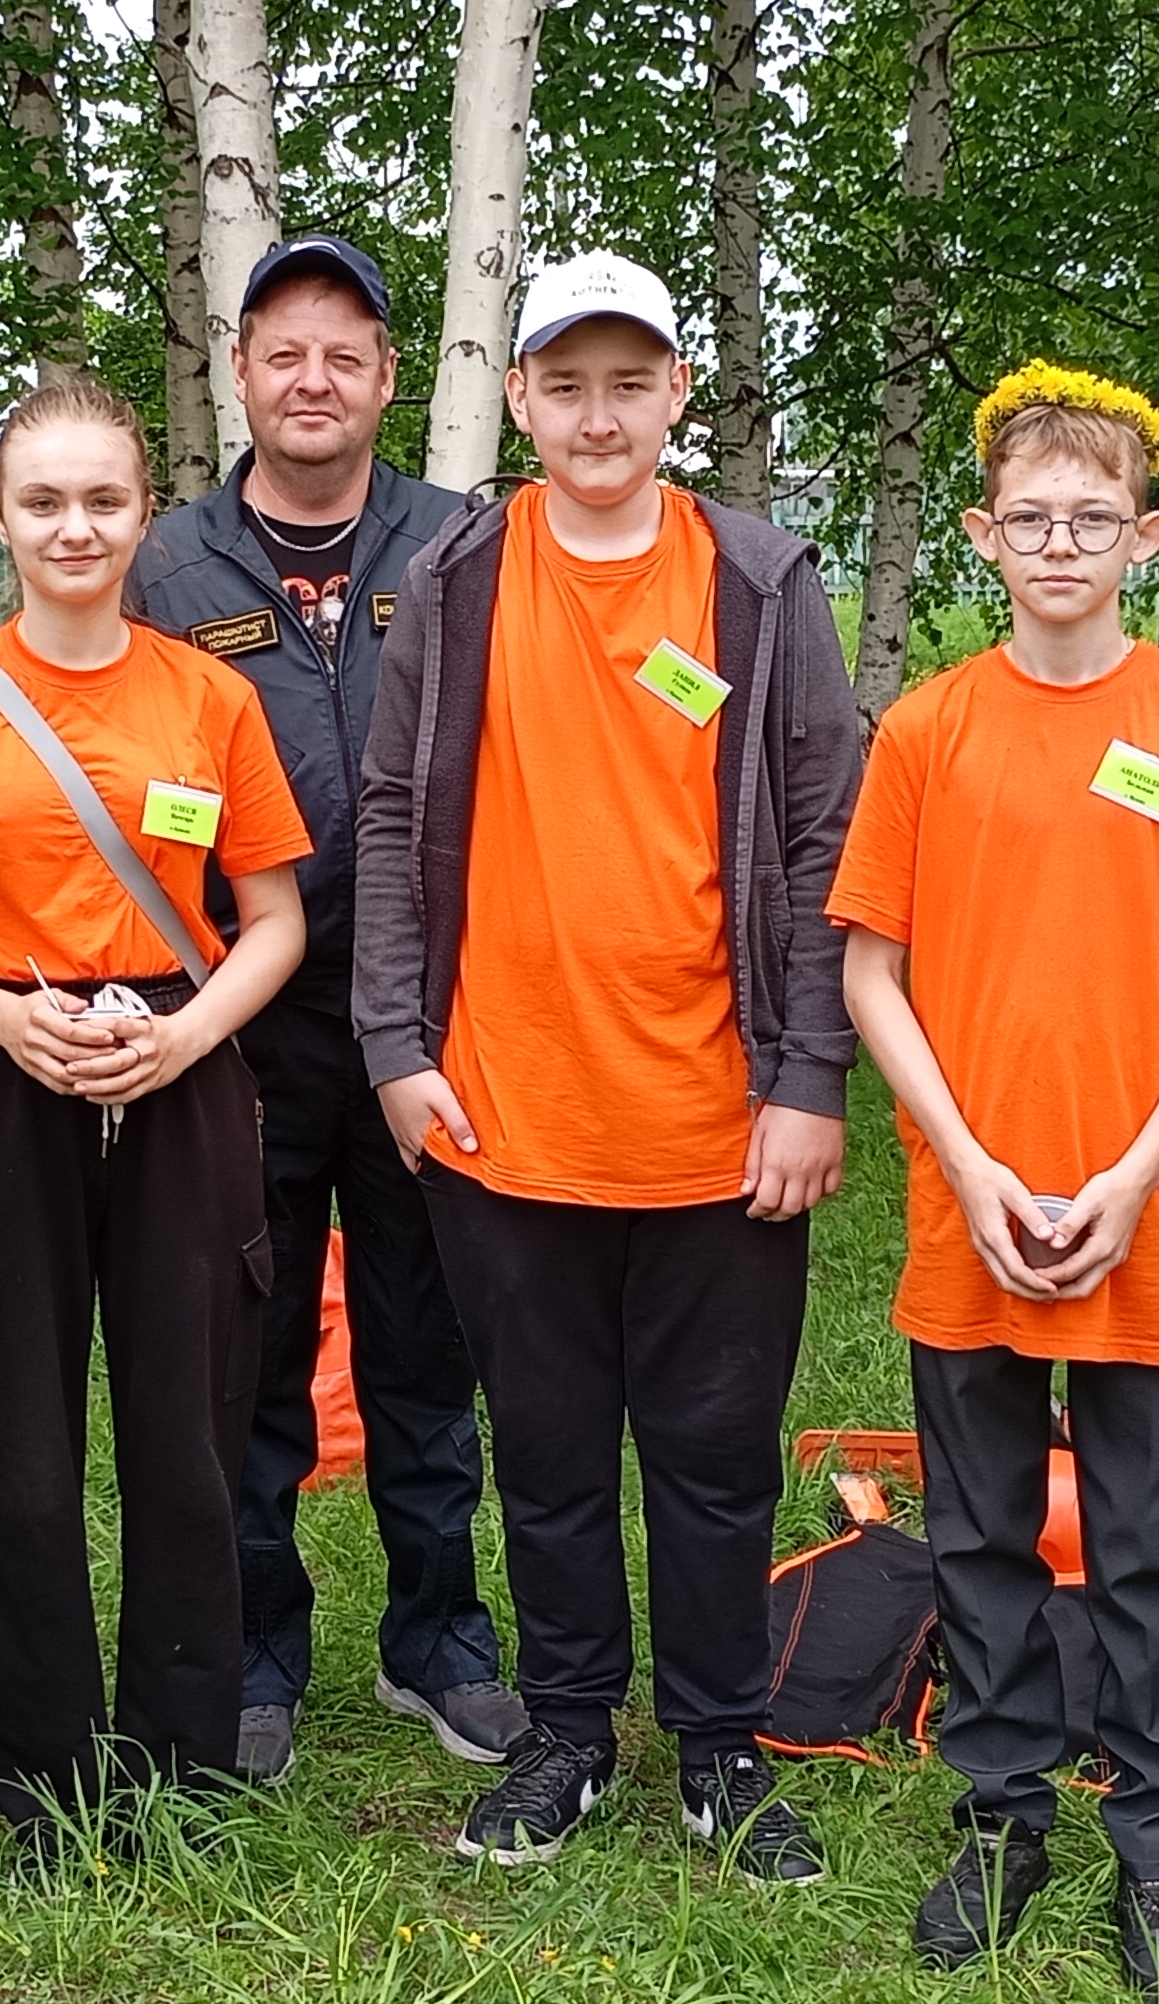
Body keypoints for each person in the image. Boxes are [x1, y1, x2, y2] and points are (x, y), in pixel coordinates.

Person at [354, 251, 867, 1879]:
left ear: (677, 398)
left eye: (629, 381)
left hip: (721, 1121)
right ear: (518, 400)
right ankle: (569, 1733)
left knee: (713, 1460)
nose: (597, 413)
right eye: (564, 383)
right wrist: (390, 1043)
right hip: (505, 1108)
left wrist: (809, 1077)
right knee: (551, 1451)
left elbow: (822, 834)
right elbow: (386, 813)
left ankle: (719, 1748)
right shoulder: (448, 577)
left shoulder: (761, 583)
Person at [833, 363, 1159, 1994]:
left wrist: (1129, 1170)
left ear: (1144, 535)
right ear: (981, 536)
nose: (1059, 542)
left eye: (1091, 519)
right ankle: (1000, 1818)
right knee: (980, 1541)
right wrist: (972, 1170)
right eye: (1030, 518)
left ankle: (1158, 1851)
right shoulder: (927, 728)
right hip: (971, 1205)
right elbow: (870, 976)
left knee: (1144, 1556)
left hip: (1150, 1214)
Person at [0, 377, 313, 1854]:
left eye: (105, 501)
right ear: (0, 514)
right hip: (8, 1081)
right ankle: (42, 1769)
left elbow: (271, 922)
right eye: (44, 500)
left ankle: (183, 1756)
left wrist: (183, 1037)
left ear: (144, 516)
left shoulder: (210, 697)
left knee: (189, 1426)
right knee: (15, 1433)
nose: (75, 527)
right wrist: (0, 1019)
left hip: (176, 1074)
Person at [124, 235, 524, 1786]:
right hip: (246, 1026)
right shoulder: (168, 565)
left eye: (343, 355)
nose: (312, 380)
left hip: (427, 1024)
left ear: (384, 381)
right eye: (283, 351)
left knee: (432, 1359)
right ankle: (254, 1657)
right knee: (252, 1356)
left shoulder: (460, 544)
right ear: (240, 372)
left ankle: (441, 1646)